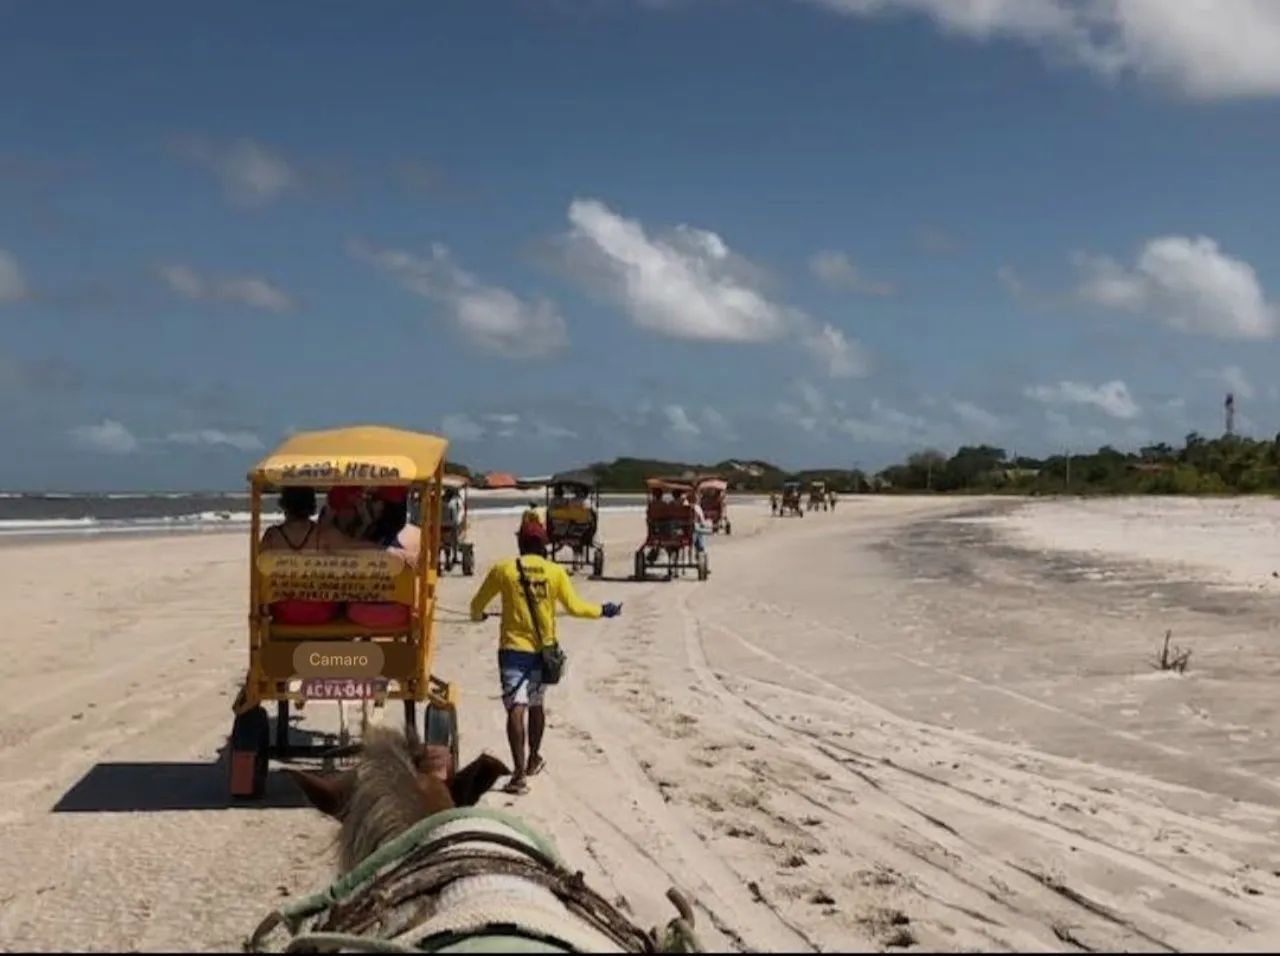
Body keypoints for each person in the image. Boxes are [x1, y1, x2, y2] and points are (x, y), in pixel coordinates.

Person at [469, 520, 621, 795]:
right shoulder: (555, 572)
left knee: (517, 707)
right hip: (543, 652)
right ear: (544, 545)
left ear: (520, 543)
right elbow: (575, 607)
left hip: (513, 650)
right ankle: (533, 758)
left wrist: (478, 616)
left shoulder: (503, 569)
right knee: (537, 704)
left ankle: (518, 775)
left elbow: (476, 605)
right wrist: (603, 610)